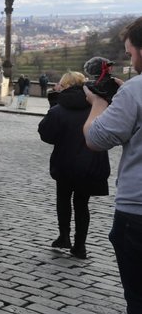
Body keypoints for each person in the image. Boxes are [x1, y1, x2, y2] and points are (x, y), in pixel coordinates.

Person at [83, 16, 142, 314]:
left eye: (131, 50)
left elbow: (97, 138)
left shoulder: (136, 89)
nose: (129, 57)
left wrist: (101, 103)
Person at [38, 72, 110, 259]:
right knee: (82, 204)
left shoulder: (59, 109)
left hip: (65, 163)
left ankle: (64, 237)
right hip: (89, 163)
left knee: (63, 200)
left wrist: (53, 105)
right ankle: (80, 246)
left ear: (66, 86)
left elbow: (46, 134)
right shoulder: (96, 107)